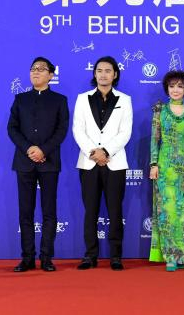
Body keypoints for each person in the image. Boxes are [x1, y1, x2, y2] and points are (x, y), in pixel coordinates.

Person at [7, 57, 69, 272]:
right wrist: (29, 149)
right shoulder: (20, 99)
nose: (36, 72)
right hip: (24, 162)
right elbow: (12, 128)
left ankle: (46, 258)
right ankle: (27, 258)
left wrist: (43, 150)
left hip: (49, 162)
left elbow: (61, 130)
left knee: (49, 211)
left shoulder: (59, 100)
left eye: (41, 69)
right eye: (33, 69)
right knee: (25, 211)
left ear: (51, 75)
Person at [72, 56, 133, 271]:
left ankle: (116, 256)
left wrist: (106, 152)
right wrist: (94, 153)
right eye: (99, 70)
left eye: (108, 71)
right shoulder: (82, 99)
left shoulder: (125, 100)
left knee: (115, 211)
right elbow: (78, 130)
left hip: (114, 162)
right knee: (90, 210)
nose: (103, 74)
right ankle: (90, 255)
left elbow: (125, 132)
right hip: (89, 162)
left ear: (115, 74)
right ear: (94, 73)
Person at [149, 71, 184, 272]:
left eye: (180, 86)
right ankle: (170, 256)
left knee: (183, 213)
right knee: (167, 212)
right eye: (172, 86)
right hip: (165, 168)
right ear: (167, 88)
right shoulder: (160, 111)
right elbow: (155, 139)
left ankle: (183, 255)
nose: (175, 90)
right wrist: (153, 164)